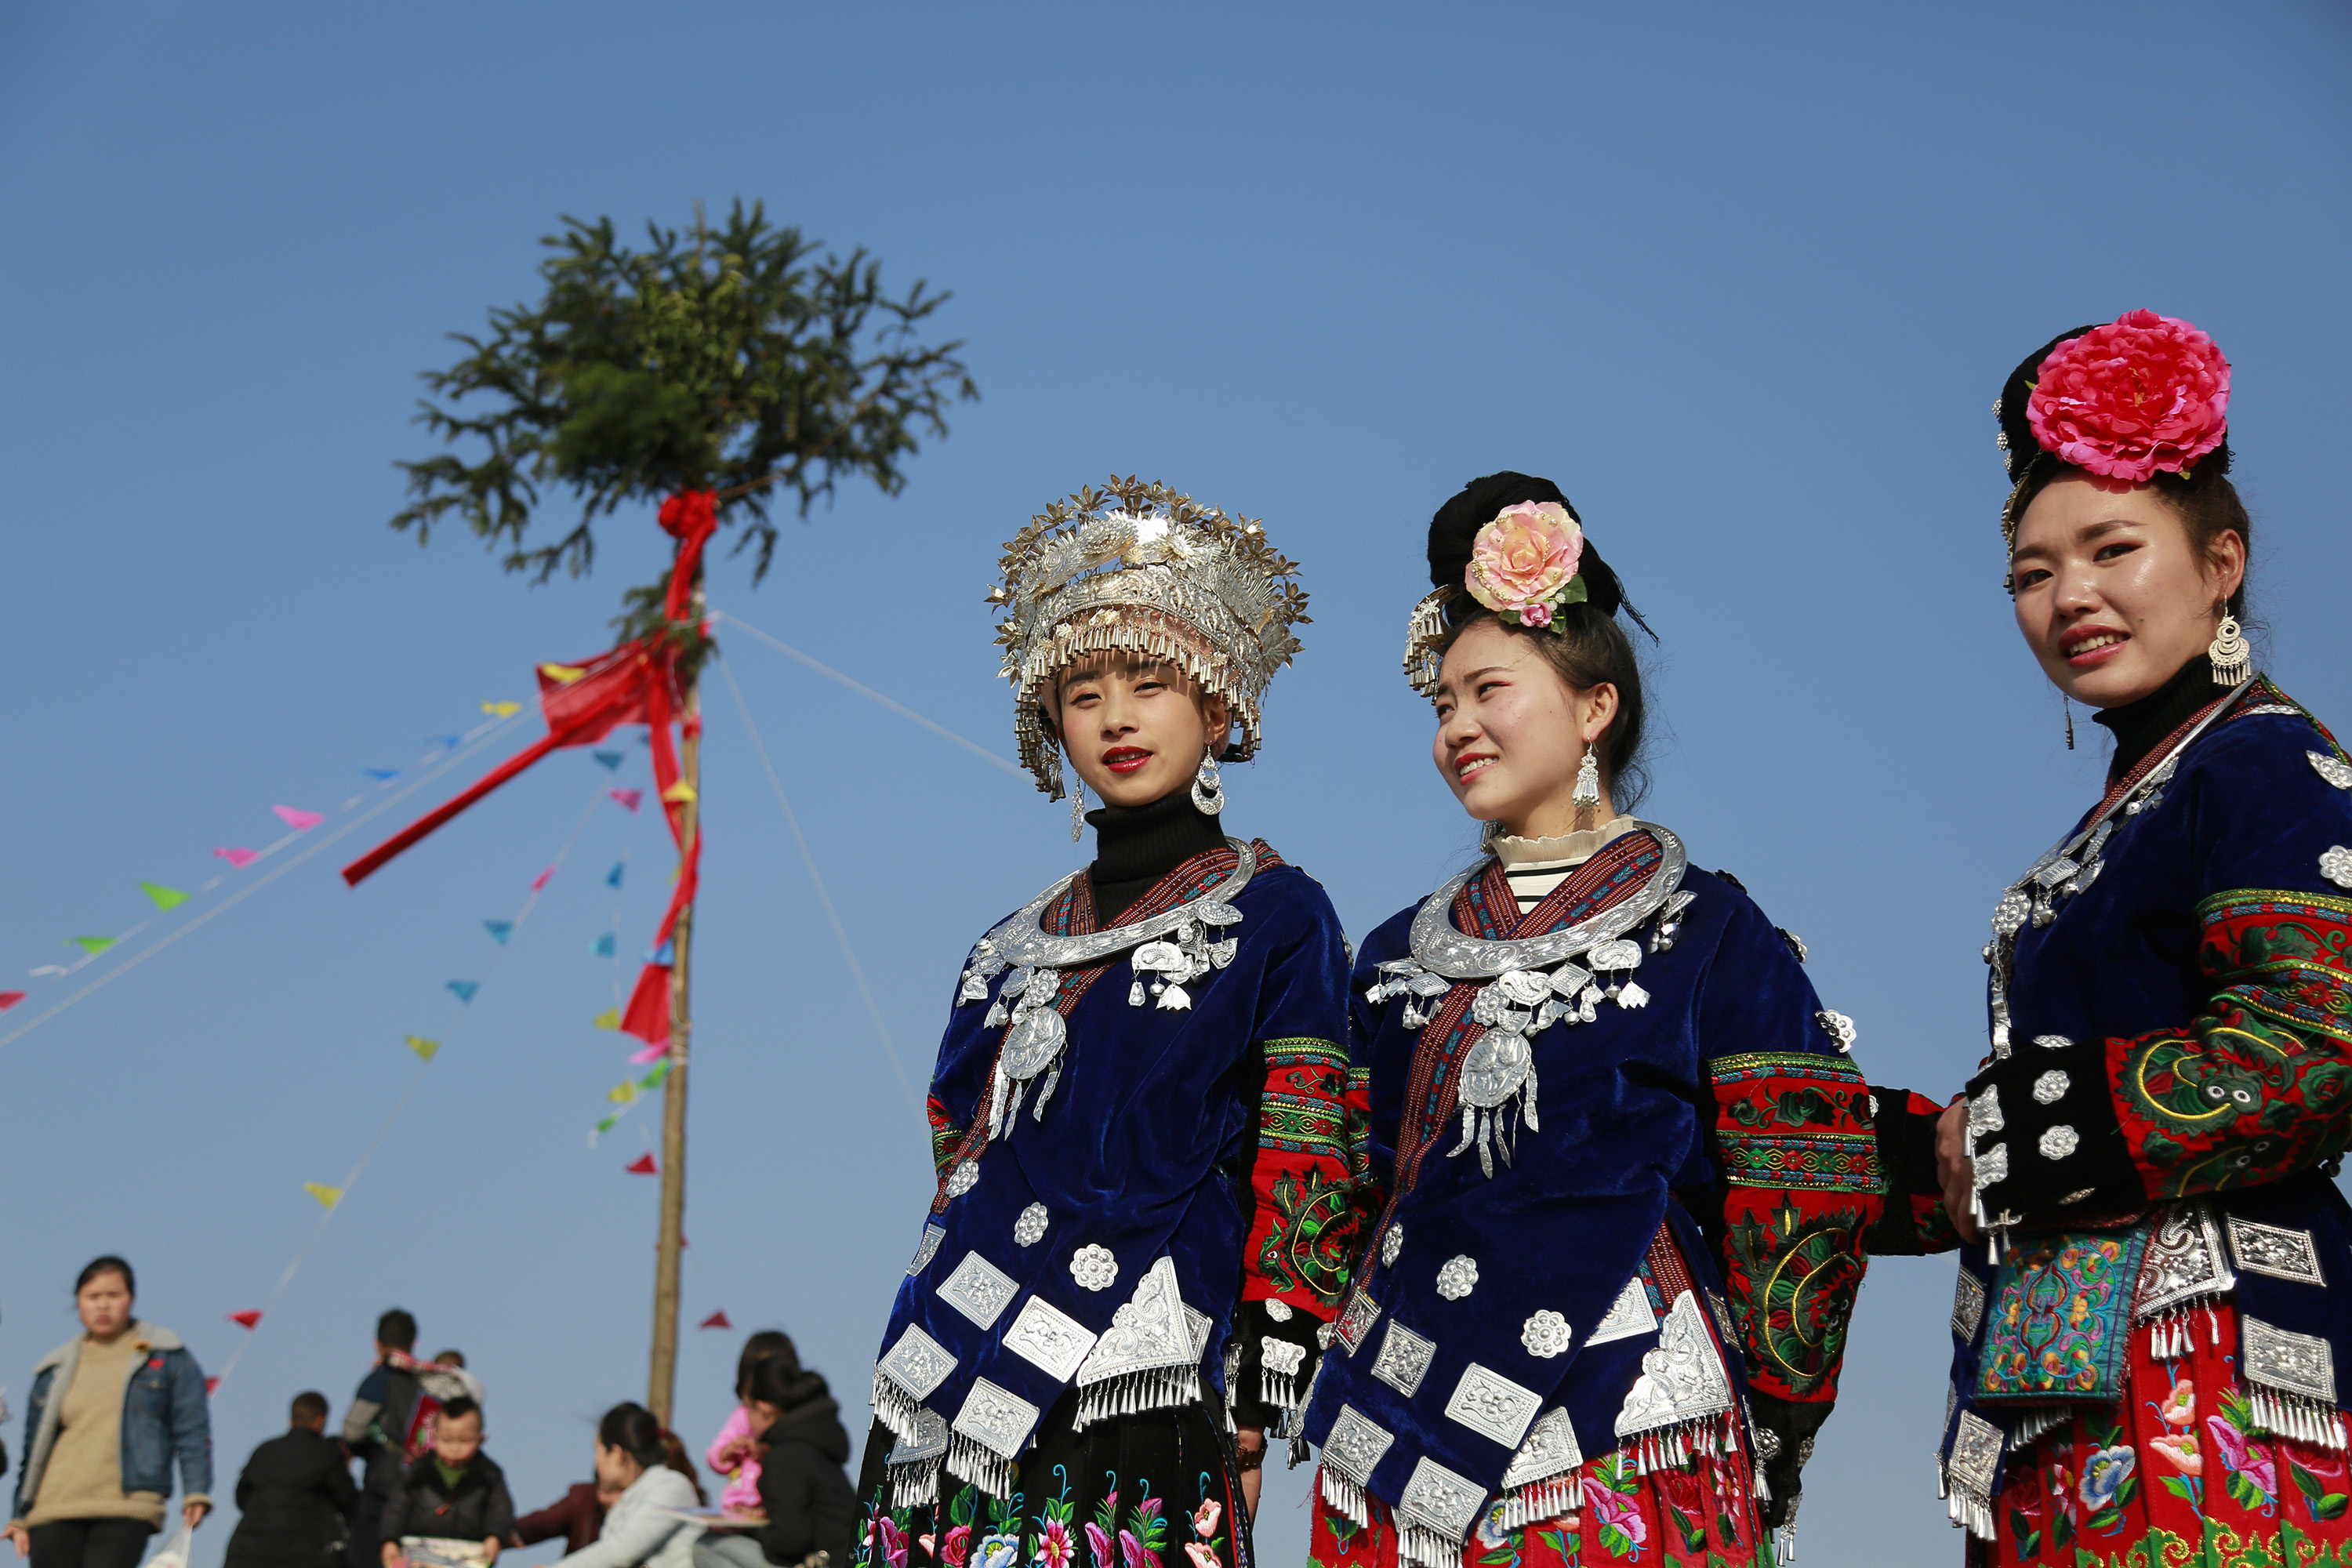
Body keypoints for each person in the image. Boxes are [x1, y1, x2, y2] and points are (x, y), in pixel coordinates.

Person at [1299, 474, 1890, 1568]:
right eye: (1441, 705)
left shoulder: (1707, 927)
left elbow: (1806, 1171)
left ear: (1593, 707)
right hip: (1397, 1421)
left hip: (1623, 1419)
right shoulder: (1392, 954)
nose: (1458, 726)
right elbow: (1340, 1174)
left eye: (1488, 690)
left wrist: (1780, 1405)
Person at [1864, 311, 2352, 1563]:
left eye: (2112, 549)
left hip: (2211, 1382)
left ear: (2222, 561)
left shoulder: (2265, 765)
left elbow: (2315, 1042)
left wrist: (2008, 1133)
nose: (2069, 596)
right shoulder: (2139, 800)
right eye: (2032, 574)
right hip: (2066, 1388)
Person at [854, 479, 1356, 1568]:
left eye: (1149, 682)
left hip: (1144, 1362)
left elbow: (1308, 1149)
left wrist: (1260, 1396)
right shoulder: (1002, 949)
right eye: (1083, 694)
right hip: (948, 1367)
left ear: (1218, 708)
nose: (1117, 717)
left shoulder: (1280, 915)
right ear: (1051, 725)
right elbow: (954, 1146)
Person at [6, 1258, 212, 1568]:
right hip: (53, 1508)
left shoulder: (168, 1356)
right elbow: (33, 1451)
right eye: (93, 1296)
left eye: (114, 1295)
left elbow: (192, 1429)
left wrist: (196, 1491)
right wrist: (20, 1515)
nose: (103, 1305)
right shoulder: (54, 1369)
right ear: (78, 1302)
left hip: (126, 1506)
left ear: (132, 1298)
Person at [695, 1356, 852, 1568]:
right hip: (843, 1558)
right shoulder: (812, 1443)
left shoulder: (784, 1456)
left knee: (706, 1546)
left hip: (823, 1562)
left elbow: (790, 1541)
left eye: (747, 1408)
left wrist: (750, 1529)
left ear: (763, 1408)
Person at [347, 1313, 474, 1568]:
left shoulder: (379, 1380)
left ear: (377, 1344)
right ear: (414, 1342)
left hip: (384, 1488)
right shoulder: (437, 1381)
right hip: (433, 1496)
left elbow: (352, 1432)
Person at [546, 1406, 701, 1568]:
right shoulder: (626, 1503)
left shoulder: (671, 1486)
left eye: (598, 1452)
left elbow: (622, 1551)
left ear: (617, 1454)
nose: (596, 1462)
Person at [223, 1392, 357, 1568]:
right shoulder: (327, 1454)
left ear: (291, 1419)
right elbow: (350, 1502)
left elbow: (241, 1498)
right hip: (304, 1553)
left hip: (247, 1551)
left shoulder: (264, 1451)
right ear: (321, 1419)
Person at [376, 1398, 510, 1568]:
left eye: (464, 1441)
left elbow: (500, 1509)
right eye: (447, 1440)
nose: (454, 1448)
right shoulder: (418, 1472)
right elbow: (397, 1508)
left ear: (481, 1439)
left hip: (470, 1556)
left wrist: (495, 1537)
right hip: (417, 1554)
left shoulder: (489, 1475)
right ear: (434, 1437)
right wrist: (389, 1540)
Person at [704, 1336, 794, 1522]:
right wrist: (726, 1452)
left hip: (770, 1507)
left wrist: (765, 1451)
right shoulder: (741, 1416)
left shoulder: (792, 1420)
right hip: (736, 1506)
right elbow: (715, 1454)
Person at [511, 1479, 616, 1558]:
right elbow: (545, 1522)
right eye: (606, 1491)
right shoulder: (584, 1499)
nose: (606, 1499)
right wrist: (505, 1532)